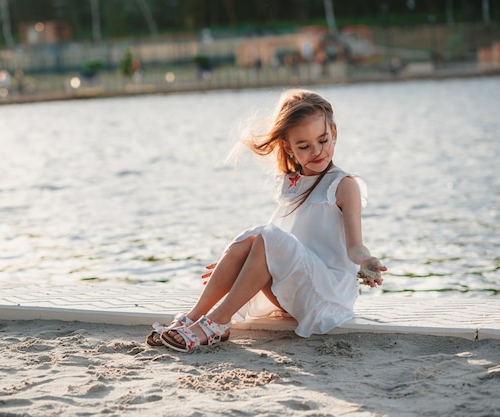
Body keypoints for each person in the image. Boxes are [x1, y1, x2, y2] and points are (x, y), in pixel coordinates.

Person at [146, 89, 387, 352]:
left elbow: (354, 246)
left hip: (328, 298)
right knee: (251, 238)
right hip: (298, 286)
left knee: (264, 236)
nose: (318, 151)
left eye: (324, 140)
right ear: (288, 147)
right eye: (304, 146)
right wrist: (234, 263)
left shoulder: (343, 185)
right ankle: (194, 318)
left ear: (334, 132)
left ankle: (216, 323)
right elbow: (277, 238)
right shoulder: (291, 184)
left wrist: (366, 260)